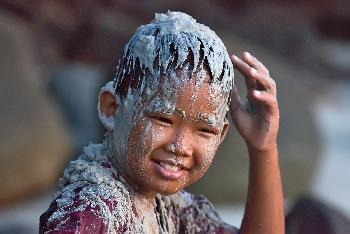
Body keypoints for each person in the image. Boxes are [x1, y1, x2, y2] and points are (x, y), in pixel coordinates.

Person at [40, 11, 284, 233]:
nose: (180, 146)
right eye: (163, 119)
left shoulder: (176, 209)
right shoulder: (90, 214)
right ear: (111, 108)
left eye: (205, 130)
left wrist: (263, 147)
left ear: (221, 135)